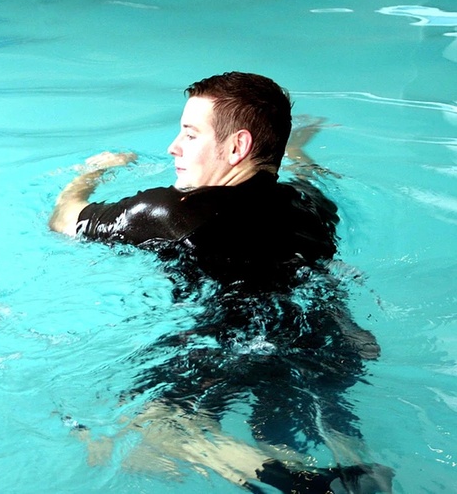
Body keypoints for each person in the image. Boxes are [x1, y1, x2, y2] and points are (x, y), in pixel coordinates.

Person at [49, 72, 391, 493]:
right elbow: (309, 178)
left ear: (237, 147)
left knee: (152, 427)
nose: (173, 147)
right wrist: (296, 149)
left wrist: (93, 172)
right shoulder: (308, 206)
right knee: (300, 420)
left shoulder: (175, 213)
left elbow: (64, 219)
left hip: (239, 339)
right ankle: (359, 468)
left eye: (190, 135)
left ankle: (311, 488)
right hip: (330, 336)